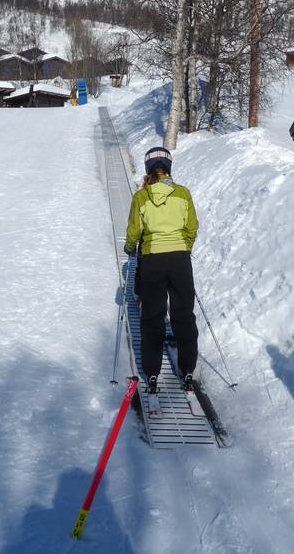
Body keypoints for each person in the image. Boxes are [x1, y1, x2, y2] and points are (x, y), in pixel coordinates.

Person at [123, 146, 199, 401]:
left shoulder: (141, 197)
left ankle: (152, 372)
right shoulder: (183, 193)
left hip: (152, 260)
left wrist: (131, 247)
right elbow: (192, 227)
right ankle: (187, 370)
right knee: (183, 315)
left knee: (152, 317)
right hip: (179, 260)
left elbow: (134, 230)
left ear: (148, 168)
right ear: (168, 168)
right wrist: (183, 246)